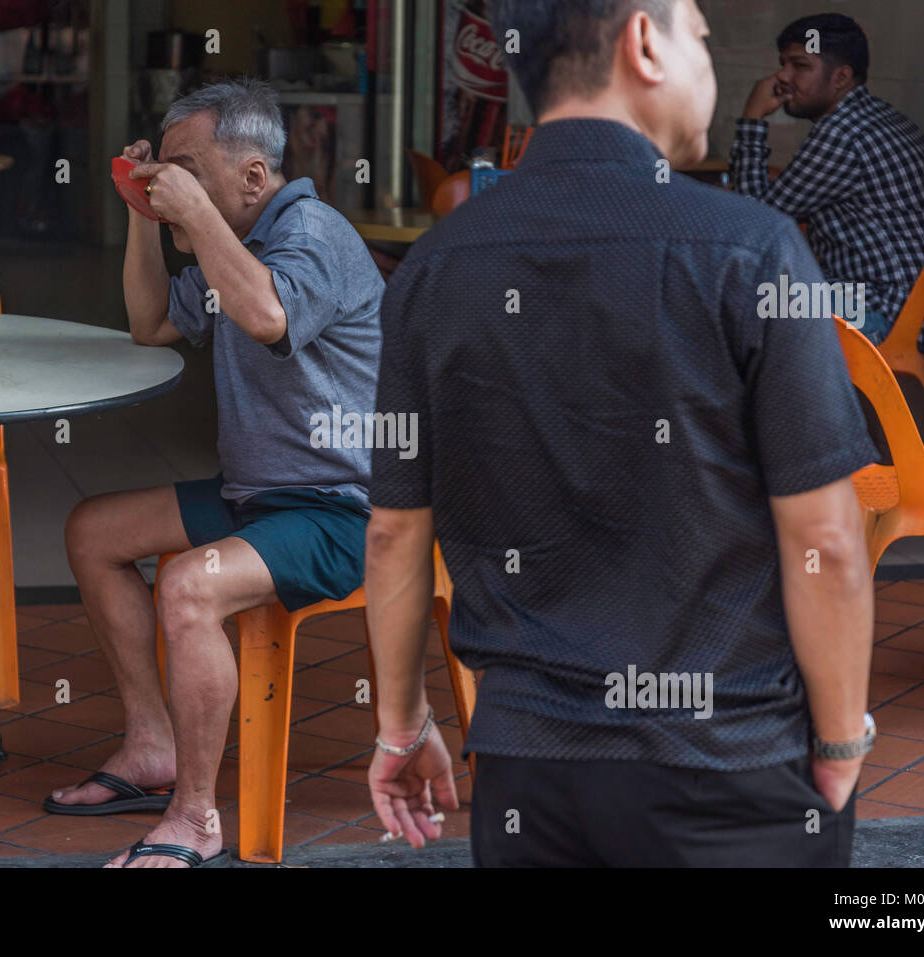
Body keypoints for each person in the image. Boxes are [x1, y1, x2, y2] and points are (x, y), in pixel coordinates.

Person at [364, 0, 879, 866]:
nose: (713, 68)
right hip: (730, 763)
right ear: (645, 41)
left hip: (530, 772)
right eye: (704, 39)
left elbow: (391, 532)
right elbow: (826, 536)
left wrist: (400, 724)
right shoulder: (752, 250)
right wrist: (838, 741)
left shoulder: (435, 266)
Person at [54, 79, 386, 868]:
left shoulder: (311, 233)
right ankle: (150, 744)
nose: (173, 183)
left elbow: (269, 316)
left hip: (346, 508)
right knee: (92, 530)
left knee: (189, 584)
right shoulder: (228, 242)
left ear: (251, 176)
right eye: (165, 169)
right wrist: (145, 218)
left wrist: (195, 218)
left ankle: (197, 816)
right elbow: (149, 324)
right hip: (262, 497)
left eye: (188, 168)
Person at [731, 12, 924, 350]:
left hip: (885, 309)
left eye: (800, 66)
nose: (783, 77)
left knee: (733, 302)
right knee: (757, 298)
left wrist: (751, 118)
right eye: (783, 64)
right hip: (918, 303)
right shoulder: (869, 117)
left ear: (840, 77)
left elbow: (756, 223)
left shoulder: (842, 133)